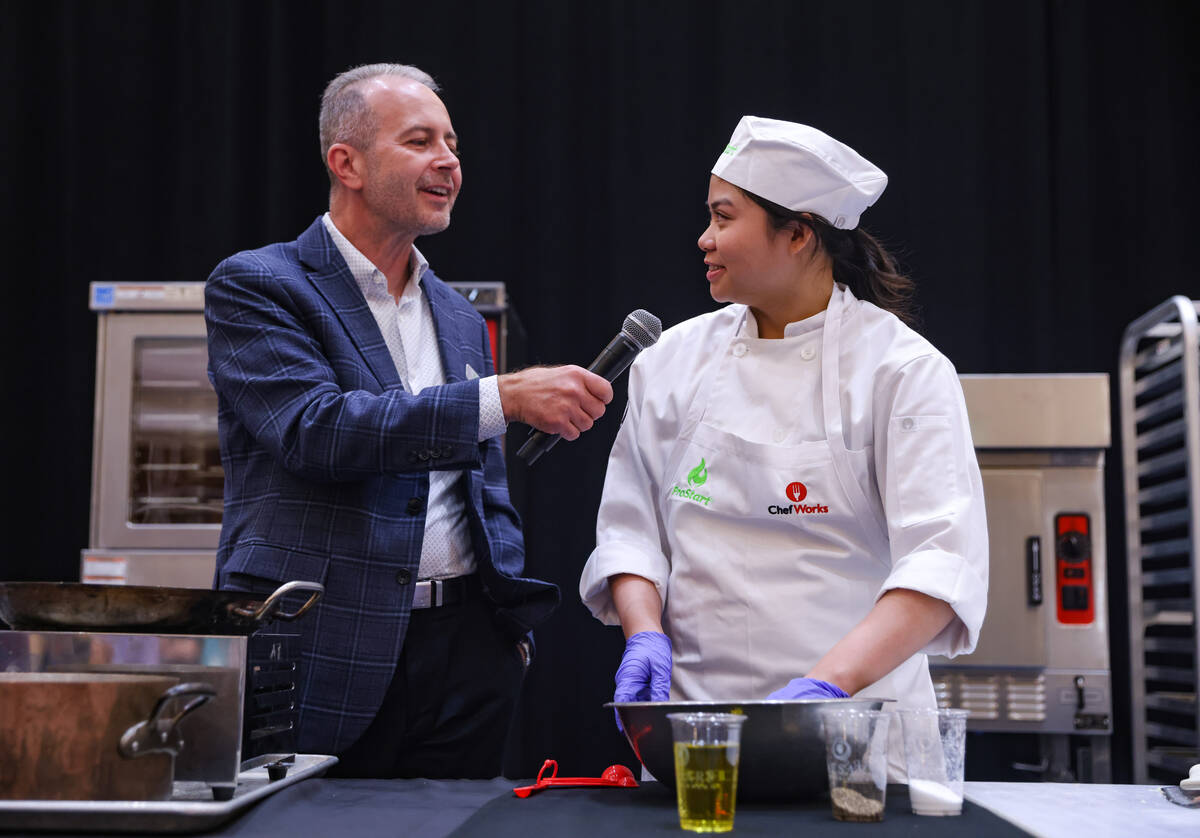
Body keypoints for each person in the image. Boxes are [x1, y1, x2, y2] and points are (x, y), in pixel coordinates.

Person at [205, 62, 612, 778]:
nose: (449, 161)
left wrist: (504, 630)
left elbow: (482, 483)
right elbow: (315, 431)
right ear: (347, 163)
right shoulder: (261, 284)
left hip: (465, 654)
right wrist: (504, 399)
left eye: (452, 142)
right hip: (318, 645)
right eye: (420, 140)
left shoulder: (455, 314)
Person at [580, 116, 988, 772]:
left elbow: (939, 566)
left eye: (723, 218)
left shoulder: (902, 371)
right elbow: (631, 533)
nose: (704, 239)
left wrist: (823, 691)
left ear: (797, 233)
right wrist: (644, 633)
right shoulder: (672, 362)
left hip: (862, 739)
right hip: (701, 733)